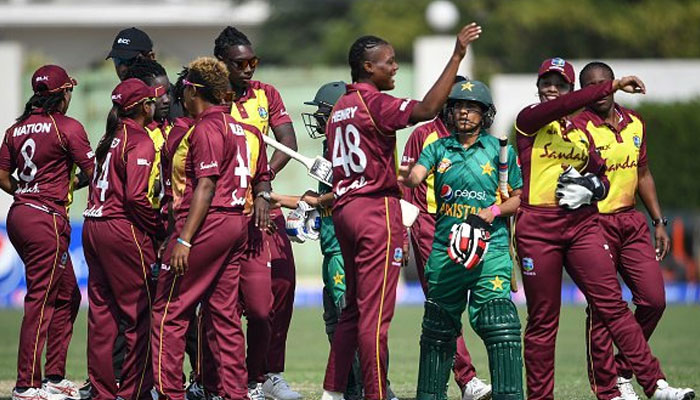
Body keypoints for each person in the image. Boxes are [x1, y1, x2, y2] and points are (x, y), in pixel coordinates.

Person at [514, 57, 694, 400]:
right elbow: (564, 108)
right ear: (538, 88)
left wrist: (593, 186)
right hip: (538, 230)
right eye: (545, 83)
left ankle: (653, 385)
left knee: (613, 306)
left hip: (580, 227)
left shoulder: (581, 133)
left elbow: (602, 175)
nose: (552, 89)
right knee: (543, 322)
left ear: (570, 89)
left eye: (559, 84)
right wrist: (611, 86)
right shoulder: (529, 121)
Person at [321, 23, 482, 400]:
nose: (394, 68)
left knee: (352, 312)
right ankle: (376, 395)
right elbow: (427, 109)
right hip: (375, 213)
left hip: (345, 211)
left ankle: (331, 393)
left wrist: (395, 174)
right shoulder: (373, 101)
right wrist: (457, 54)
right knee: (376, 316)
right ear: (366, 67)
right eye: (388, 62)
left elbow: (354, 165)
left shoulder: (341, 108)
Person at [150, 56, 272, 400]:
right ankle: (236, 393)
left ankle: (169, 393)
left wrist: (184, 240)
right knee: (224, 314)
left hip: (207, 223)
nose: (180, 97)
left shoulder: (204, 127)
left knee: (169, 311)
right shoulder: (239, 127)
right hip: (235, 223)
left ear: (193, 90)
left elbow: (205, 185)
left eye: (184, 89)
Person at [400, 79, 524, 400]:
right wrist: (403, 175)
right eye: (458, 107)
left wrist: (493, 211)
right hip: (445, 250)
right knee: (438, 328)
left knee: (499, 322)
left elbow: (518, 199)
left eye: (472, 108)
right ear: (449, 112)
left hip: (491, 248)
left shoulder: (500, 151)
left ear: (485, 114)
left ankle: (508, 395)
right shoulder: (436, 147)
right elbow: (416, 176)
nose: (465, 113)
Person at [213, 26, 300, 400]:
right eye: (240, 63)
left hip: (261, 202)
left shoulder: (266, 94)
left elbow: (288, 144)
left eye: (253, 61)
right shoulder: (209, 99)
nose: (249, 69)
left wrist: (261, 181)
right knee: (223, 300)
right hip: (222, 208)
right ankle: (219, 379)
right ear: (221, 64)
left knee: (281, 286)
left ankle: (268, 374)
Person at [575, 62, 671, 400]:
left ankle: (623, 370)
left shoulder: (635, 123)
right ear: (583, 91)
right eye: (592, 86)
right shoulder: (577, 127)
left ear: (613, 85)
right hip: (592, 224)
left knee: (654, 300)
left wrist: (658, 221)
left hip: (631, 222)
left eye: (605, 83)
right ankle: (608, 387)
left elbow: (642, 174)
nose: (600, 90)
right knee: (603, 309)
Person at [0, 65, 93, 400]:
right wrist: (62, 190)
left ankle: (53, 376)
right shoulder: (66, 127)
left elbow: (2, 174)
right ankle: (26, 385)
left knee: (67, 293)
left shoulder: (16, 129)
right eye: (68, 91)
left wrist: (27, 193)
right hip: (46, 220)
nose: (70, 97)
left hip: (21, 215)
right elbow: (93, 172)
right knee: (40, 301)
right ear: (61, 95)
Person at [82, 78, 165, 400]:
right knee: (139, 313)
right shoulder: (140, 139)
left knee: (102, 316)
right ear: (143, 106)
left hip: (92, 225)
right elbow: (134, 197)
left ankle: (103, 392)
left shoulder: (110, 137)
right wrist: (157, 228)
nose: (156, 104)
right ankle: (135, 391)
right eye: (151, 101)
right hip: (122, 228)